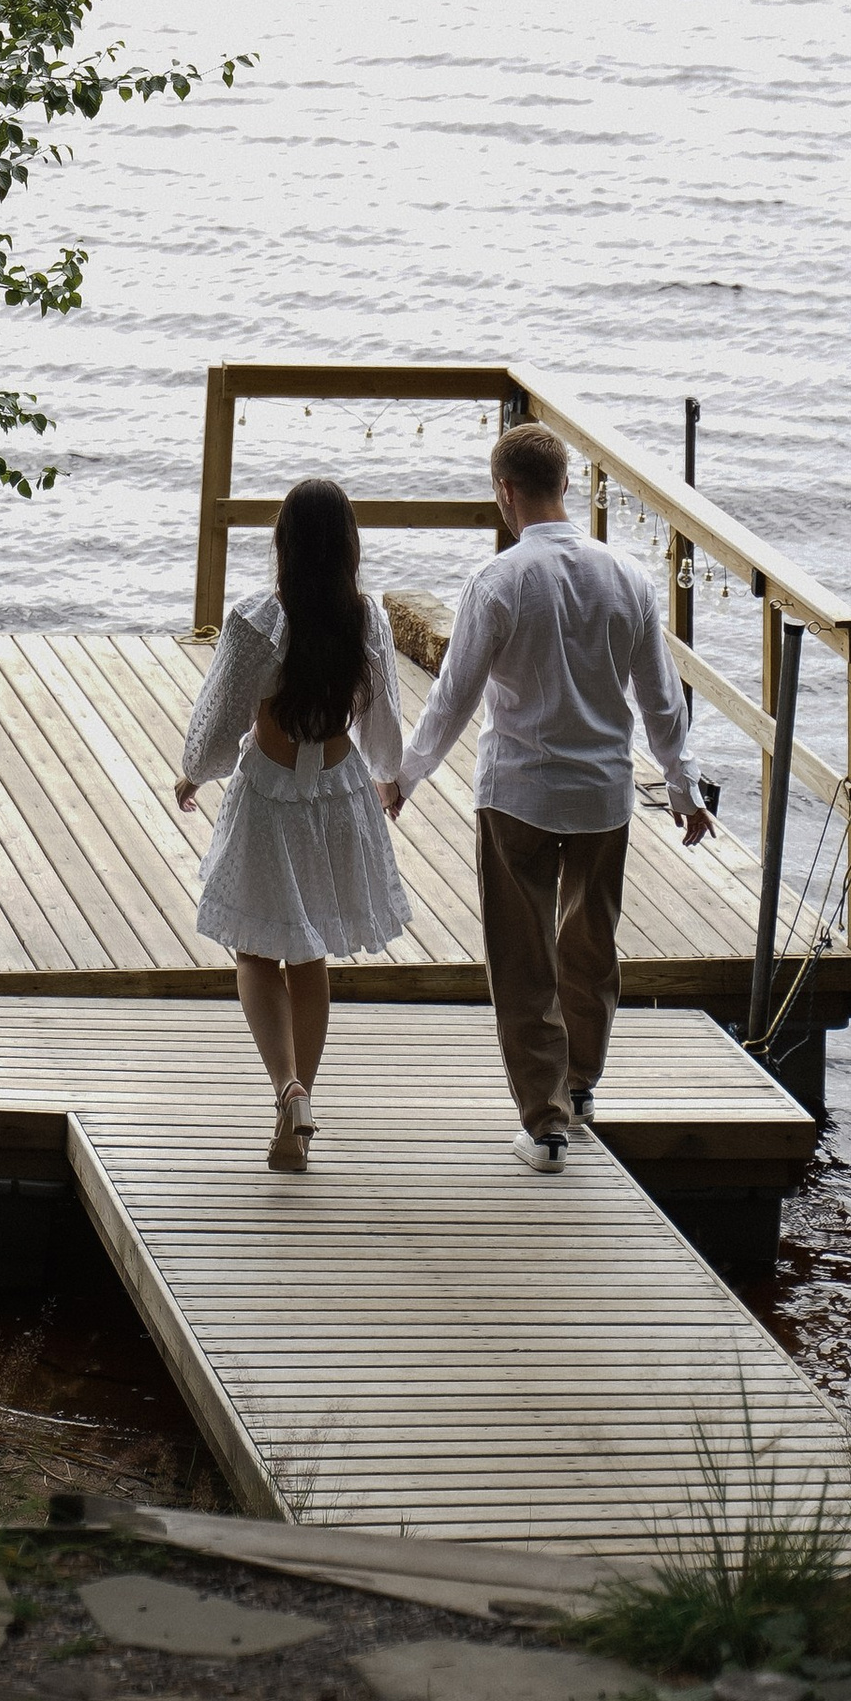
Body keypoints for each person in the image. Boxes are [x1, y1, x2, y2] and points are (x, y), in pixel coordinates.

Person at [381, 412, 713, 1172]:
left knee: (524, 958)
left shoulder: (499, 581)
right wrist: (685, 787)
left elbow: (454, 697)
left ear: (505, 493)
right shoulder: (626, 576)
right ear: (566, 484)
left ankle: (545, 1123)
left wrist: (405, 775)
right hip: (603, 793)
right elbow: (661, 700)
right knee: (591, 947)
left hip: (519, 793)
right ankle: (582, 1086)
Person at [173, 476, 411, 1172]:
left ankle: (288, 1091)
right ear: (347, 546)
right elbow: (384, 720)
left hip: (270, 795)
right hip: (337, 795)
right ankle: (299, 1105)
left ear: (283, 543)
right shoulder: (367, 620)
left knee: (255, 949)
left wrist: (196, 770)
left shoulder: (257, 619)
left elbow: (220, 721)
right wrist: (389, 775)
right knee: (310, 957)